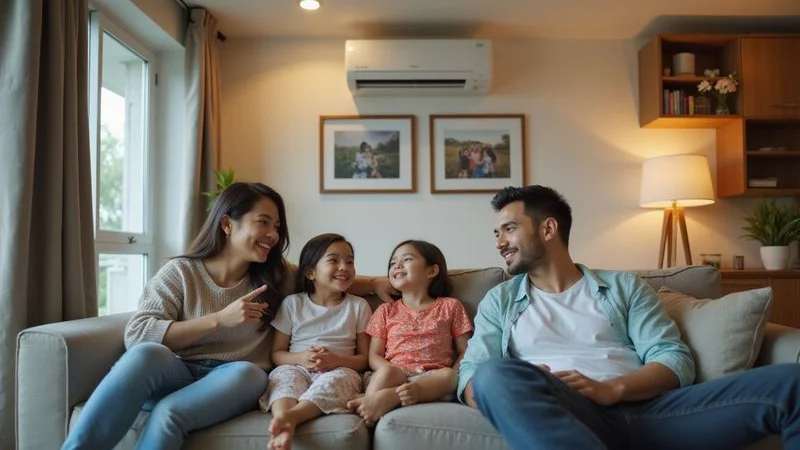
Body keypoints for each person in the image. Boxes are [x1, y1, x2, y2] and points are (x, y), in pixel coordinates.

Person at [458, 185, 800, 449]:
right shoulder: (499, 301)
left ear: (548, 229)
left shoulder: (623, 286)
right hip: (567, 414)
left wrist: (612, 389)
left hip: (653, 411)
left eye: (509, 229)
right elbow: (473, 377)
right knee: (494, 373)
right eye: (497, 233)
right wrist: (524, 384)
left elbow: (673, 358)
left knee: (791, 383)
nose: (500, 242)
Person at [62, 183, 393, 450]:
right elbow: (138, 334)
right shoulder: (180, 272)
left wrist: (377, 281)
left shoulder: (275, 275)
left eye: (277, 226)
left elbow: (324, 275)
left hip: (231, 379)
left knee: (236, 381)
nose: (274, 235)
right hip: (174, 373)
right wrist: (219, 319)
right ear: (226, 223)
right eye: (263, 222)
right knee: (147, 353)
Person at [262, 233, 372, 450]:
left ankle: (292, 419)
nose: (344, 266)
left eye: (350, 261)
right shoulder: (293, 304)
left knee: (336, 381)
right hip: (296, 366)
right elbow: (277, 354)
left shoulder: (358, 306)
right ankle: (282, 420)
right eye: (334, 260)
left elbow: (365, 359)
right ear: (310, 272)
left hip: (339, 369)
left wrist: (335, 361)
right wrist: (300, 359)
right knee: (284, 378)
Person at [347, 240, 472, 425]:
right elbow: (374, 354)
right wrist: (389, 369)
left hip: (431, 379)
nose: (397, 265)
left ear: (432, 271)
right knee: (386, 373)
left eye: (407, 259)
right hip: (395, 373)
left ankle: (392, 397)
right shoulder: (385, 310)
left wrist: (455, 374)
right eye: (392, 263)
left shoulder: (450, 306)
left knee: (449, 376)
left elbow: (465, 351)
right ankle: (369, 412)